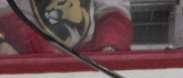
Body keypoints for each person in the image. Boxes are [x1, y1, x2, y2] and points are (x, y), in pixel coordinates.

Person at [0, 0, 132, 54]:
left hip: (91, 66)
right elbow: (5, 13)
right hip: (30, 69)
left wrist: (110, 47)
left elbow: (114, 12)